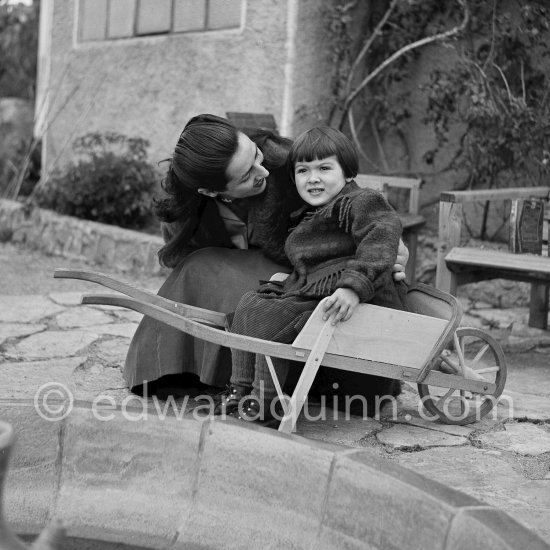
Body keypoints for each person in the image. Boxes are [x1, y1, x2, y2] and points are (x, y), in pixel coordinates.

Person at [124, 114, 409, 399]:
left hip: (309, 275)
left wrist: (389, 254)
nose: (263, 172)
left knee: (257, 304)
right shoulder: (184, 202)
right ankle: (192, 373)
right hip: (250, 271)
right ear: (210, 191)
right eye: (247, 175)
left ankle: (266, 386)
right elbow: (181, 256)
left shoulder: (288, 163)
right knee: (199, 270)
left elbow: (367, 213)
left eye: (256, 156)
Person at [215, 126, 407, 422]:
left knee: (271, 323)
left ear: (348, 172)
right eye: (303, 171)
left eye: (324, 168)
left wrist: (353, 287)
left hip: (353, 298)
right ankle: (240, 388)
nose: (313, 178)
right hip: (318, 292)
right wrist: (290, 281)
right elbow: (314, 264)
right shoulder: (313, 213)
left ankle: (266, 402)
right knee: (249, 304)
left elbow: (380, 238)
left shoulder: (362, 201)